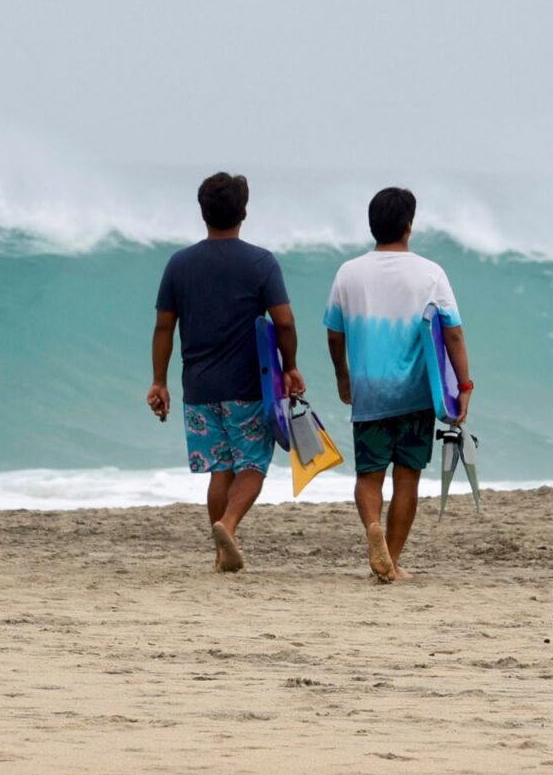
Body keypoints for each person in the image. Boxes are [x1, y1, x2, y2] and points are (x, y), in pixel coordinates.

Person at [146, 172, 304, 572]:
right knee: (251, 465)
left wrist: (159, 380)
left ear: (203, 213)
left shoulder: (179, 264)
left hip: (198, 388)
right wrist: (291, 367)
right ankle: (228, 525)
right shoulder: (260, 262)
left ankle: (221, 557)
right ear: (244, 213)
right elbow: (283, 322)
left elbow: (164, 327)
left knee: (220, 468)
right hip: (248, 386)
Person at [325, 187, 471, 583]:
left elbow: (334, 335)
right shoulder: (430, 273)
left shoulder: (348, 273)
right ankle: (392, 559)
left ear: (373, 226)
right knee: (408, 477)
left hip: (369, 392)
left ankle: (372, 525)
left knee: (368, 476)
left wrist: (343, 375)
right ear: (409, 226)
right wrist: (464, 385)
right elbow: (453, 334)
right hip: (416, 394)